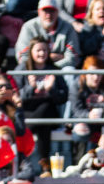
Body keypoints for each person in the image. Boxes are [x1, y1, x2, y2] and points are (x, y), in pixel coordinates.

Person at [14, 37, 69, 165]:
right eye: (38, 50)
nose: (42, 53)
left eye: (45, 50)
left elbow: (63, 97)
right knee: (42, 125)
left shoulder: (54, 70)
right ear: (31, 51)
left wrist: (51, 90)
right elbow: (16, 96)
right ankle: (44, 163)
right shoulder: (22, 69)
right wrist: (31, 88)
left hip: (48, 111)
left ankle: (35, 162)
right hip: (28, 111)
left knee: (45, 110)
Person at [14, 0, 81, 70]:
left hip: (59, 69)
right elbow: (22, 56)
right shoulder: (28, 27)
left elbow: (73, 57)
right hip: (33, 69)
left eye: (52, 11)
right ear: (39, 12)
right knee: (20, 69)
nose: (48, 15)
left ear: (57, 12)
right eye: (45, 11)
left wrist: (50, 67)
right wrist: (42, 64)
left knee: (69, 70)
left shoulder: (68, 28)